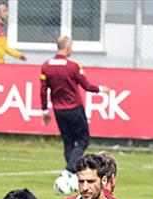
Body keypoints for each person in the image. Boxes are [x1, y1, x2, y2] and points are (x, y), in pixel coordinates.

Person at [40, 36, 108, 187]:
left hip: (58, 110)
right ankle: (69, 171)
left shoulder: (46, 66)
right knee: (83, 140)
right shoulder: (72, 66)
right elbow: (87, 85)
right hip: (74, 108)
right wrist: (102, 89)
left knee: (68, 141)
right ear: (67, 47)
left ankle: (71, 178)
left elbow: (43, 91)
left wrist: (45, 110)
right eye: (71, 46)